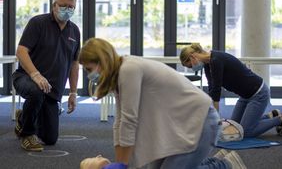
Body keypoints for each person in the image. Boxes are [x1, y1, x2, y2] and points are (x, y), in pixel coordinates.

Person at [78, 38, 247, 169]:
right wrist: (122, 163)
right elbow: (119, 123)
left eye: (89, 69)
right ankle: (215, 161)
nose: (89, 75)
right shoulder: (119, 76)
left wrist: (122, 164)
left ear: (103, 62)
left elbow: (129, 120)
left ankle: (224, 165)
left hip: (200, 122)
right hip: (178, 126)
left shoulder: (128, 69)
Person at [12, 0, 80, 151]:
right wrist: (35, 75)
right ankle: (27, 134)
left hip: (51, 90)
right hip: (26, 78)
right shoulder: (38, 23)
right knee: (36, 92)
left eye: (71, 7)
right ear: (54, 6)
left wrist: (73, 92)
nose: (67, 10)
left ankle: (24, 118)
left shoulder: (74, 31)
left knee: (50, 139)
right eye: (63, 6)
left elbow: (74, 63)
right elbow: (21, 51)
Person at [180, 43, 282, 138]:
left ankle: (278, 120)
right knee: (234, 127)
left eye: (190, 66)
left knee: (245, 132)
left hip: (259, 94)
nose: (192, 68)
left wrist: (216, 120)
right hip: (245, 96)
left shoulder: (216, 60)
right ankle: (271, 115)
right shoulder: (208, 64)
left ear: (193, 57)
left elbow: (216, 91)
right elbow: (211, 89)